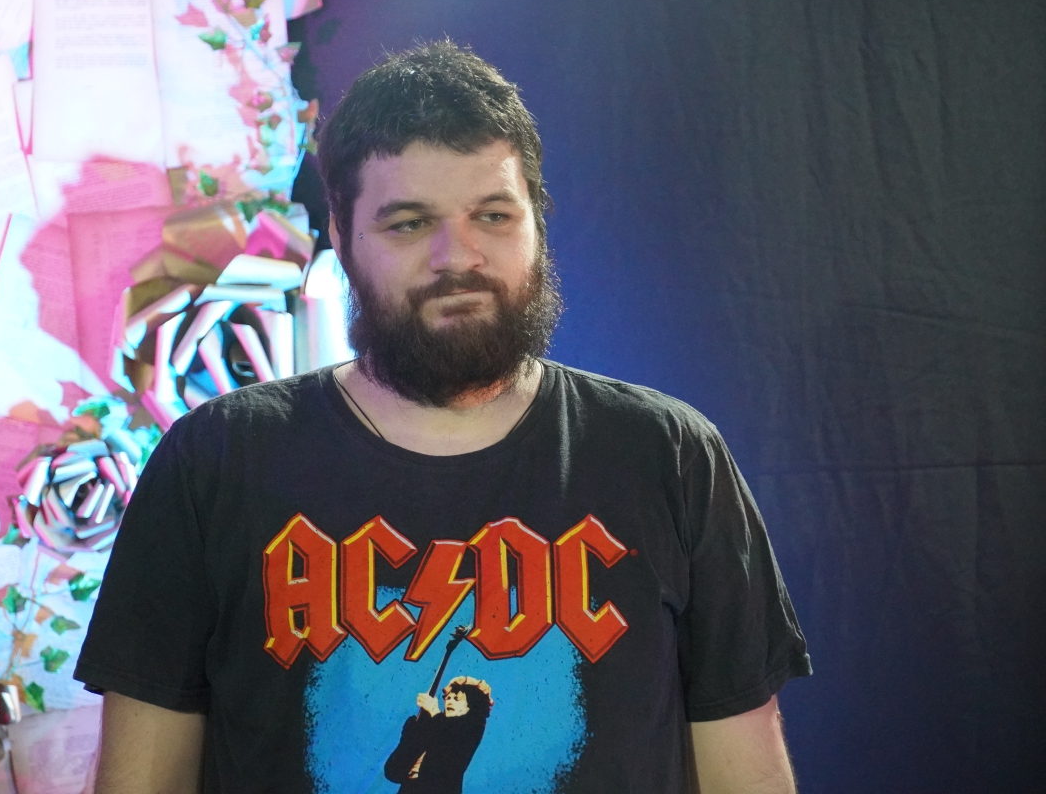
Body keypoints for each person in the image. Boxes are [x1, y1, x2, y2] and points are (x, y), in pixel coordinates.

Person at [75, 40, 812, 794]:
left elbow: (747, 775)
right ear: (342, 237)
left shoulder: (668, 455)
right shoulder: (215, 462)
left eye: (493, 215)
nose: (456, 256)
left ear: (537, 223)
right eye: (407, 223)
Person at [383, 677, 493, 793]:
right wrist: (418, 727)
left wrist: (434, 711)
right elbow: (393, 771)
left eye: (457, 699)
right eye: (448, 698)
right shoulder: (428, 725)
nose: (450, 701)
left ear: (471, 705)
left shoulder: (473, 726)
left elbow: (451, 734)